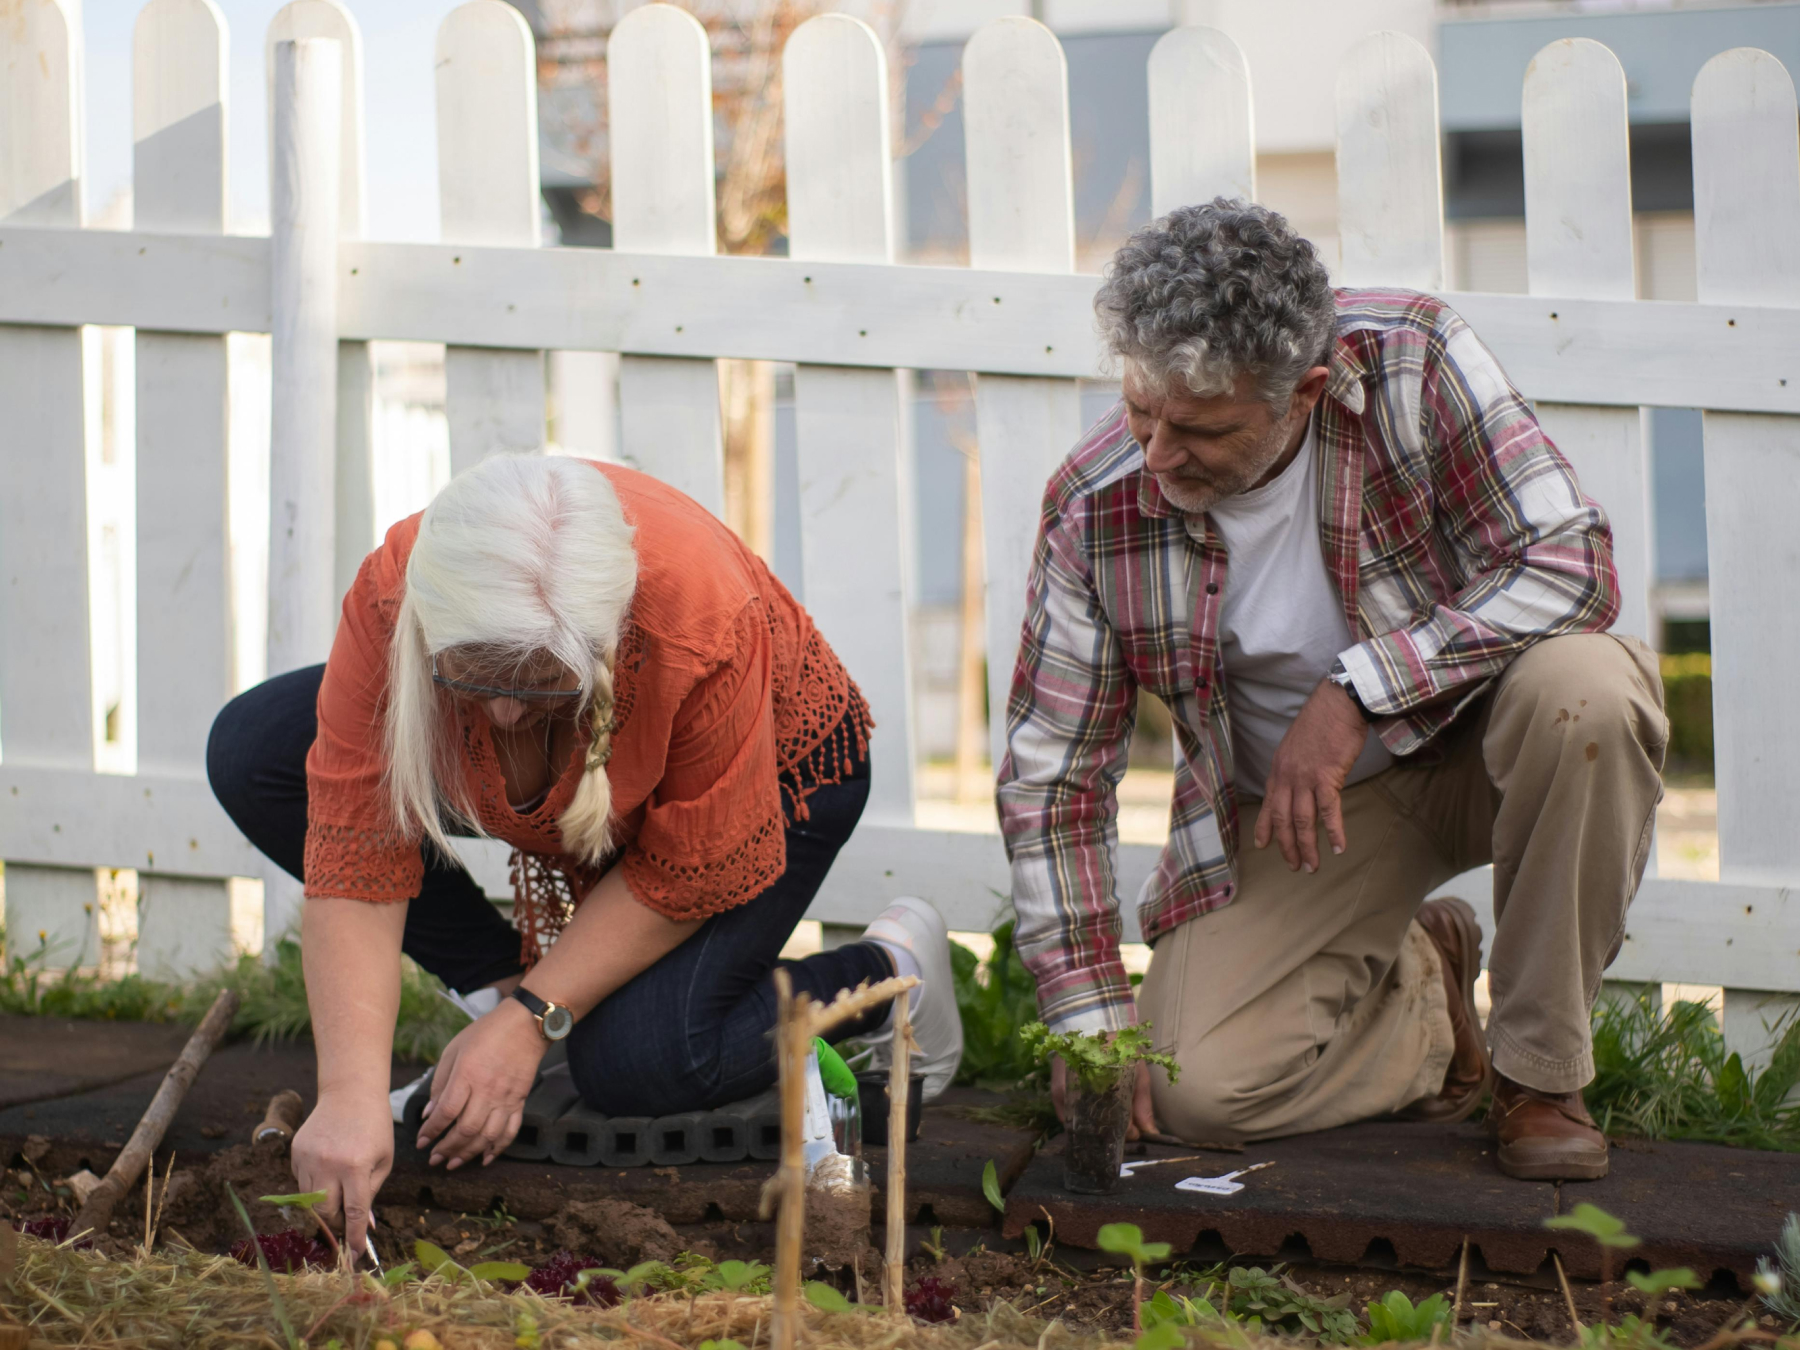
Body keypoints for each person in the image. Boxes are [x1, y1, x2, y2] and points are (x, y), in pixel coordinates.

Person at [997, 199, 1666, 1182]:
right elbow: (1053, 778)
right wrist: (1088, 1014)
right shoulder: (1094, 504)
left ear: (1307, 391)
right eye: (1141, 411)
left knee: (1593, 692)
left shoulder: (1416, 360)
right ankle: (1428, 999)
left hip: (1491, 746)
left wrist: (1359, 689)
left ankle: (1539, 1075)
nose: (1157, 456)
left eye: (1202, 429)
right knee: (1193, 1091)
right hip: (1311, 817)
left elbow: (1573, 562)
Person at [209, 454, 963, 1252]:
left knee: (641, 1063)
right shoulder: (401, 586)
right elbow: (358, 847)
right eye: (475, 679)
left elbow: (680, 872)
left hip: (774, 779)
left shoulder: (696, 616)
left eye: (534, 686)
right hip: (580, 753)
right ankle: (498, 991)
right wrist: (350, 1095)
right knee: (258, 750)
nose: (500, 715)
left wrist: (538, 1024)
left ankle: (887, 977)